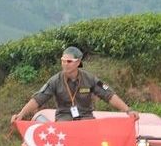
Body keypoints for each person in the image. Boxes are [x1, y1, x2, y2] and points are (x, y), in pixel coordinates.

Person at [10, 46, 139, 122]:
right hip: (64, 120)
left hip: (86, 119)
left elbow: (109, 95)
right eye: (63, 61)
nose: (65, 64)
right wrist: (21, 114)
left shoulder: (89, 79)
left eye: (69, 61)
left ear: (78, 62)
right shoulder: (55, 81)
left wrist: (128, 110)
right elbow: (38, 99)